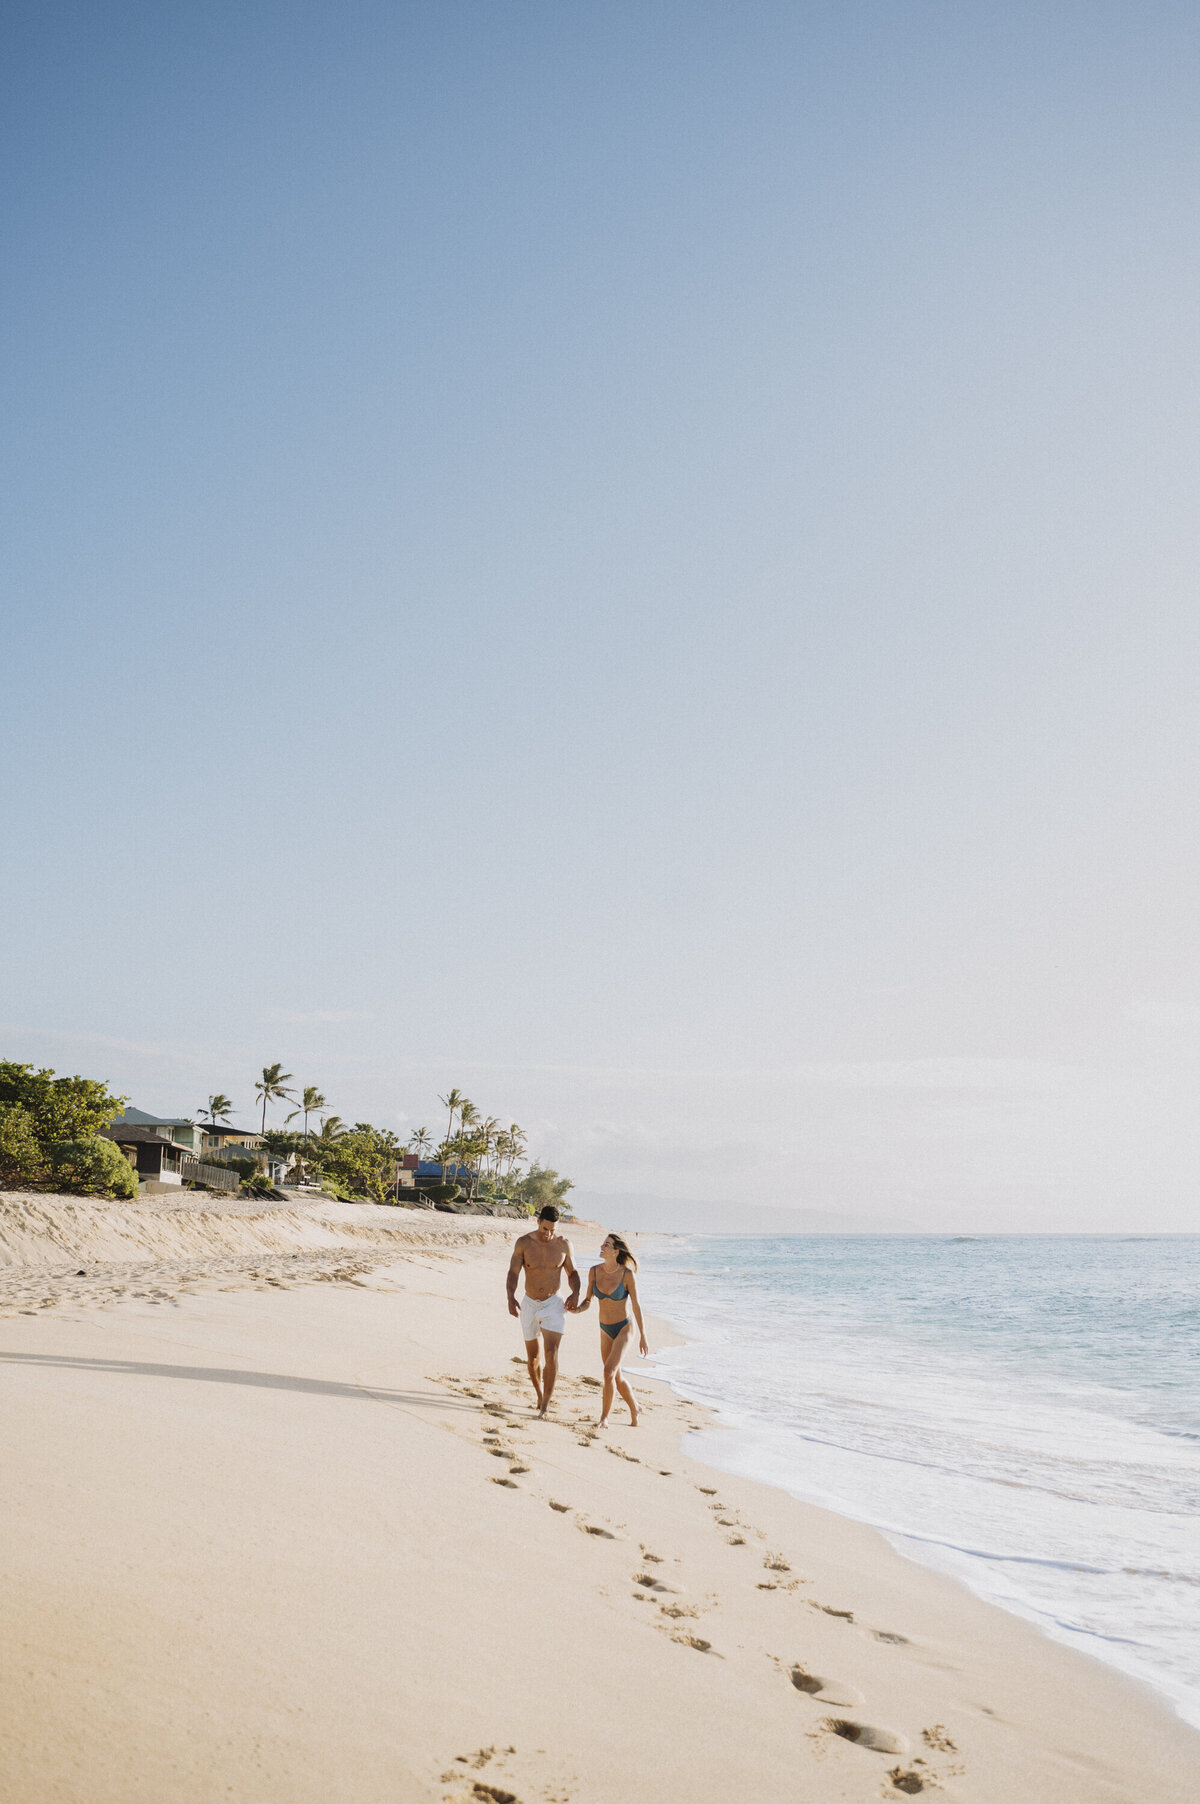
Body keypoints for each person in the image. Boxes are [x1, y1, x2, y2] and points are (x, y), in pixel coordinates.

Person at [506, 1205, 580, 1416]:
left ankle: (546, 1405)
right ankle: (539, 1394)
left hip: (553, 1305)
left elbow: (572, 1272)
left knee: (551, 1353)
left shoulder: (564, 1245)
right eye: (545, 1229)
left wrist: (575, 1293)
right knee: (533, 1359)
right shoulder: (524, 1243)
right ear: (538, 1221)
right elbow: (513, 1272)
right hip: (529, 1303)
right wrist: (510, 1297)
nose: (549, 1234)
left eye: (552, 1230)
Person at [571, 1232, 649, 1427]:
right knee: (616, 1375)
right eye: (603, 1244)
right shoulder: (594, 1272)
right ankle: (635, 1407)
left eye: (606, 1245)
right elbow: (588, 1301)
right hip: (604, 1329)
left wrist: (643, 1336)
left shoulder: (627, 1275)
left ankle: (604, 1419)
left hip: (624, 1328)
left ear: (615, 1251)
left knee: (608, 1371)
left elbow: (637, 1306)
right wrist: (578, 1309)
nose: (602, 1247)